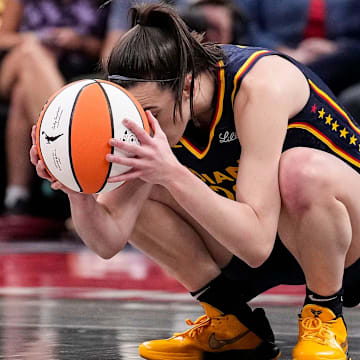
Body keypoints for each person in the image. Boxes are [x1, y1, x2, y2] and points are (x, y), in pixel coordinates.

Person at [30, 2, 360, 360]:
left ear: (186, 86)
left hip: (346, 243)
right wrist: (75, 189)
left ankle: (325, 315)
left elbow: (256, 245)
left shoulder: (261, 85)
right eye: (137, 114)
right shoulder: (154, 109)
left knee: (298, 171)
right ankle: (231, 324)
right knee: (147, 174)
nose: (143, 126)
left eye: (151, 114)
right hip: (272, 237)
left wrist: (171, 173)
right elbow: (108, 240)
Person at [0, 0, 108, 237]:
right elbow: (3, 37)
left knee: (23, 94)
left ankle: (16, 197)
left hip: (66, 71)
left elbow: (105, 50)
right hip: (15, 62)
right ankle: (75, 150)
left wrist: (77, 42)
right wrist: (34, 39)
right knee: (30, 55)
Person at [237, 0, 360, 96]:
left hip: (340, 59)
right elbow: (243, 24)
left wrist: (335, 47)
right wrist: (283, 51)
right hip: (276, 57)